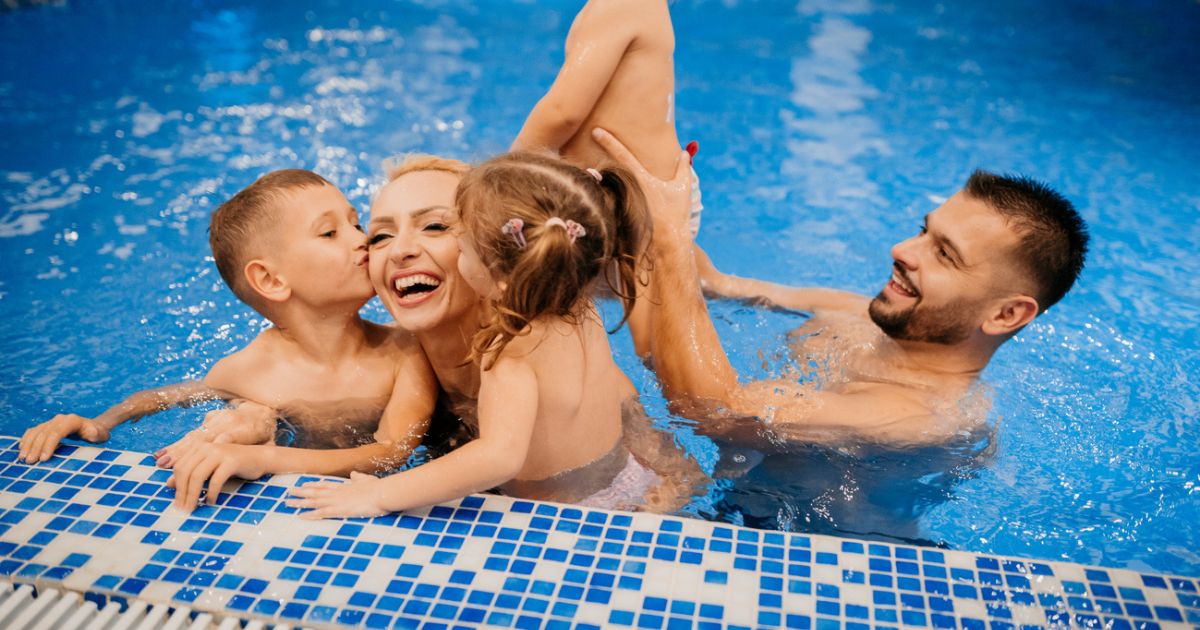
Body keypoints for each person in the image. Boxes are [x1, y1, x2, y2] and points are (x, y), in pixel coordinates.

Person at [594, 129, 1089, 447]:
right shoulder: (854, 313)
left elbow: (715, 413)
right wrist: (656, 196)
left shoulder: (914, 418)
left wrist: (672, 238)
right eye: (923, 230)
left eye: (944, 254)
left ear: (1006, 315)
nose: (902, 249)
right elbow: (716, 283)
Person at [287, 152, 702, 517]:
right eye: (379, 236)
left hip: (570, 515)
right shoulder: (576, 308)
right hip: (634, 485)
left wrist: (379, 495)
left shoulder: (506, 349)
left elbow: (498, 456)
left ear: (496, 265)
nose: (400, 251)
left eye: (443, 231)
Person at [19, 169, 438, 504]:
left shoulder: (405, 349)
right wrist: (97, 424)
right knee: (244, 419)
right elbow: (166, 397)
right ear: (271, 280)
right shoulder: (247, 371)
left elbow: (390, 451)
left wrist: (261, 457)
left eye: (356, 222)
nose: (362, 240)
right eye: (330, 233)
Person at [512, 0, 701, 357]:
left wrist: (504, 178)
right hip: (630, 199)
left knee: (657, 352)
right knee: (706, 287)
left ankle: (710, 407)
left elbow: (562, 112)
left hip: (637, 208)